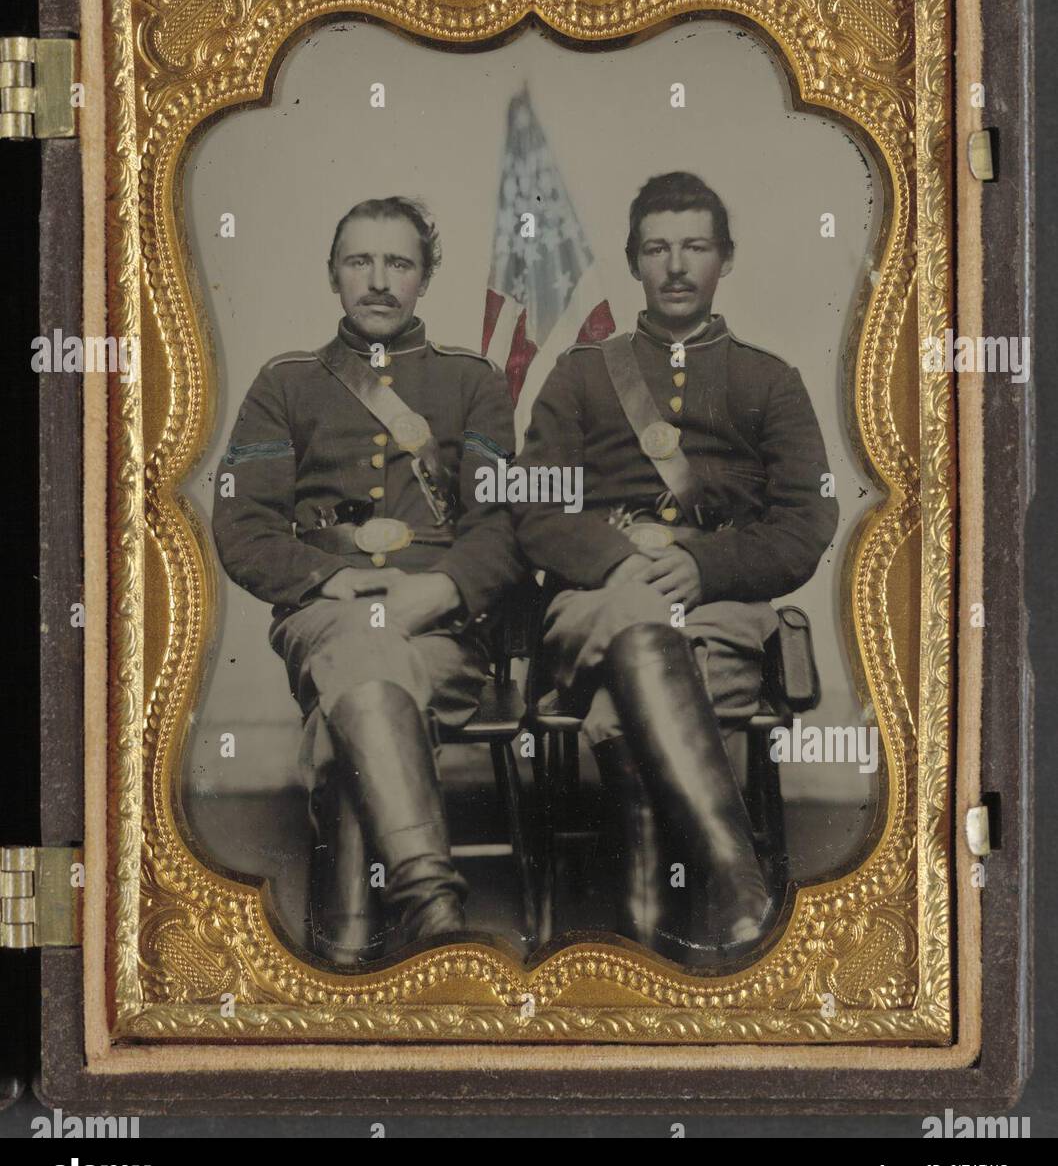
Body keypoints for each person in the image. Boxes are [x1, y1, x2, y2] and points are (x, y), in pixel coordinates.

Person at [513, 171, 839, 964]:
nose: (677, 266)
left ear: (725, 258)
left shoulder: (771, 381)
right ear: (633, 263)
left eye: (695, 246)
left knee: (637, 681)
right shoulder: (582, 375)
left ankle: (643, 915)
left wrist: (703, 565)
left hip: (720, 608)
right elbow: (533, 508)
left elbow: (806, 523)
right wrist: (624, 563)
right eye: (657, 249)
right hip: (598, 596)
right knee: (639, 622)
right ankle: (737, 877)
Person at [212, 196, 522, 964]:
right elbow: (243, 526)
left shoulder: (473, 381)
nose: (379, 281)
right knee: (358, 642)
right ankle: (433, 906)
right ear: (332, 274)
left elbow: (505, 526)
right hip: (326, 612)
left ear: (425, 279)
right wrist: (324, 578)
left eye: (399, 263)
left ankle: (349, 941)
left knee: (357, 680)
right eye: (360, 261)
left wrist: (440, 591)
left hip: (440, 629)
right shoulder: (285, 383)